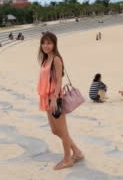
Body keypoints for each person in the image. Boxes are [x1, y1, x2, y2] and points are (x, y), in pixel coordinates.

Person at [37, 32, 84, 170]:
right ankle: (77, 152)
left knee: (62, 131)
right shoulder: (45, 59)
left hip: (54, 99)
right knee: (55, 130)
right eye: (44, 43)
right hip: (46, 98)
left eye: (49, 43)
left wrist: (54, 98)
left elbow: (59, 81)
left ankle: (68, 159)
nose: (46, 46)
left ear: (54, 44)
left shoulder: (56, 59)